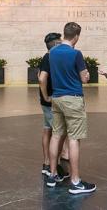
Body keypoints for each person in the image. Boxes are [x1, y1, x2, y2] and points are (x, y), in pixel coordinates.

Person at [45, 22, 96, 194]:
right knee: (74, 139)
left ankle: (52, 175)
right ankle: (75, 181)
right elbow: (84, 78)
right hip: (73, 99)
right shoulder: (76, 53)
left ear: (64, 34)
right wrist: (87, 75)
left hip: (57, 98)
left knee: (56, 135)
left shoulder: (52, 53)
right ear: (76, 36)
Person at [38, 32, 69, 180]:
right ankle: (53, 168)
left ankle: (46, 164)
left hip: (48, 102)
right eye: (61, 41)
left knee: (48, 130)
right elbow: (42, 78)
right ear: (56, 44)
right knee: (57, 134)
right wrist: (46, 96)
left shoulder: (48, 57)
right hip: (50, 102)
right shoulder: (49, 57)